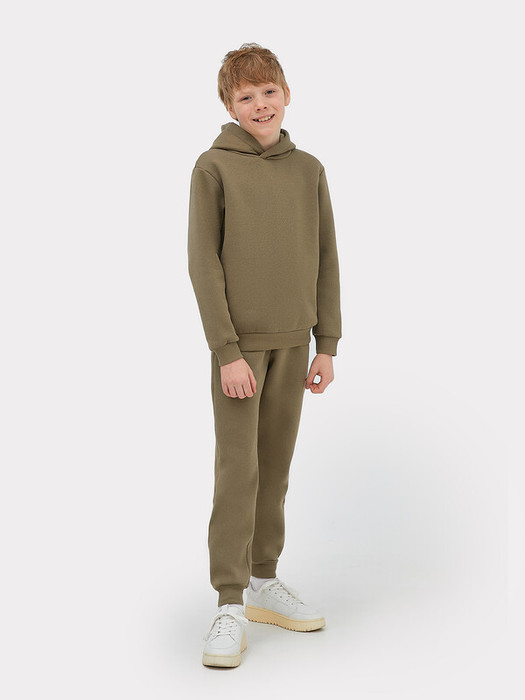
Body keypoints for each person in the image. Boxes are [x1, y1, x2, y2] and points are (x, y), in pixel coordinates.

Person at [187, 42, 342, 668]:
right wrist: (227, 351)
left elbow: (326, 256)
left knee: (275, 467)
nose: (259, 104)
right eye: (245, 96)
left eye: (268, 92)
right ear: (230, 106)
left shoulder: (309, 170)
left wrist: (326, 343)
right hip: (241, 350)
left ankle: (262, 580)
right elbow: (203, 262)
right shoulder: (213, 168)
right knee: (239, 470)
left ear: (286, 95)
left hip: (296, 341)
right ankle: (228, 601)